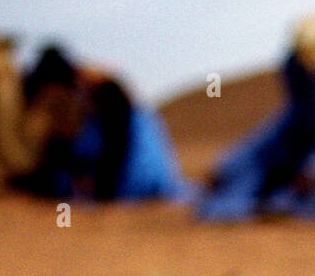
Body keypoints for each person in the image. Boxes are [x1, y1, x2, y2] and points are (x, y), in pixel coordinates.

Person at [197, 49, 315, 221]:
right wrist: (226, 167)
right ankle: (253, 208)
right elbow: (261, 146)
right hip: (291, 184)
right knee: (247, 178)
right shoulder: (296, 113)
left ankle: (279, 208)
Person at [16, 44, 190, 202]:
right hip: (135, 179)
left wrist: (100, 188)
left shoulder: (107, 96)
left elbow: (117, 147)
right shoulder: (89, 107)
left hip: (135, 182)